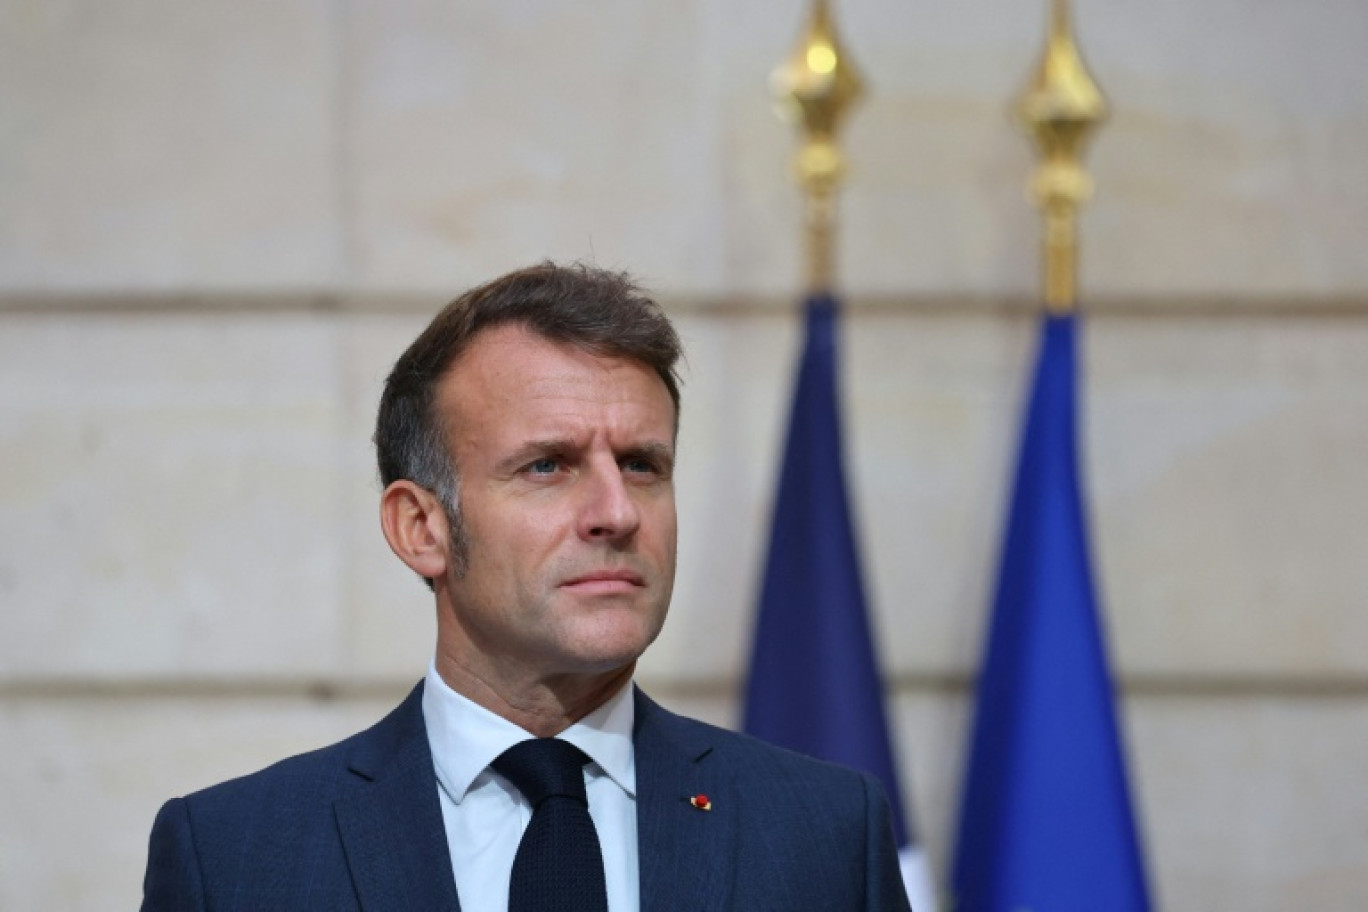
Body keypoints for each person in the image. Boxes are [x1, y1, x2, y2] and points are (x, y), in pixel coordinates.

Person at [140, 263, 912, 912]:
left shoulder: (826, 834)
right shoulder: (237, 857)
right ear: (421, 527)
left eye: (642, 465)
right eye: (547, 465)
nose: (616, 513)